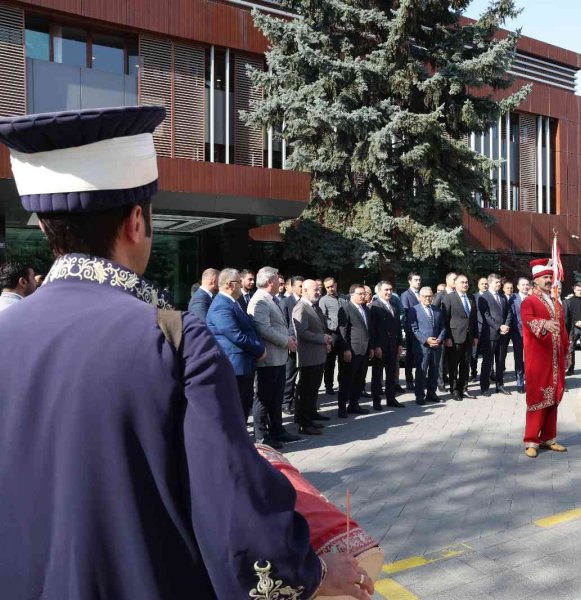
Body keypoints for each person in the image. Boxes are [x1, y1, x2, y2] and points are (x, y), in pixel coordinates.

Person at [0, 106, 372, 599]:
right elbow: (233, 510)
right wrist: (315, 575)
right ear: (137, 221)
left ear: (47, 231)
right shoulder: (173, 339)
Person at [248, 266, 302, 446]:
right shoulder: (260, 300)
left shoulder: (270, 299)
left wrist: (288, 338)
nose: (281, 281)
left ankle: (277, 430)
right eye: (278, 278)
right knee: (264, 398)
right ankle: (261, 436)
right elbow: (263, 329)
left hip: (278, 358)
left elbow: (278, 324)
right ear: (270, 281)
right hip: (268, 358)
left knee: (276, 397)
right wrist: (285, 341)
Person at [520, 259, 568, 458]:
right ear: (536, 280)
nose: (549, 280)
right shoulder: (528, 302)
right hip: (539, 360)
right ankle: (531, 440)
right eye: (545, 277)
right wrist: (544, 324)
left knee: (553, 399)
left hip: (556, 359)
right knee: (538, 398)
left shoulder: (556, 302)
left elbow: (563, 329)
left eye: (550, 277)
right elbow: (527, 320)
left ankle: (549, 437)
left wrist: (566, 352)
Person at [207, 268, 266, 422]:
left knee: (244, 405)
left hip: (243, 363)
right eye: (239, 282)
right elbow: (236, 335)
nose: (242, 285)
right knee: (237, 408)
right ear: (229, 285)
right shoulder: (221, 305)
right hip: (235, 365)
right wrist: (259, 350)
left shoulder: (232, 302)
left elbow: (249, 328)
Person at [292, 279, 333, 435]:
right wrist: (321, 339)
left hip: (318, 355)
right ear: (305, 290)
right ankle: (304, 423)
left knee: (313, 389)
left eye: (319, 289)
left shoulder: (314, 306)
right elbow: (302, 333)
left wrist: (326, 340)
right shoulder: (301, 307)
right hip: (308, 357)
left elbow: (321, 328)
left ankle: (311, 414)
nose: (318, 292)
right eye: (315, 289)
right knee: (306, 391)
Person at [337, 284, 375, 418]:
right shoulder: (345, 308)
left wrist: (370, 347)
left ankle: (354, 404)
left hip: (364, 351)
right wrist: (346, 349)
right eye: (360, 294)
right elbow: (342, 332)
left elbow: (368, 330)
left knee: (360, 380)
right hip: (351, 351)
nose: (363, 296)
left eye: (364, 293)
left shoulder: (366, 309)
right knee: (347, 380)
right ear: (352, 294)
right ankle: (342, 408)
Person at [442, 274, 478, 401]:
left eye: (467, 282)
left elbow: (473, 319)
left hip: (469, 337)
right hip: (454, 337)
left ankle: (464, 388)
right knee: (453, 365)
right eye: (462, 282)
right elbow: (445, 319)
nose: (465, 284)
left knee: (465, 364)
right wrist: (447, 337)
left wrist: (475, 336)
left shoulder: (471, 298)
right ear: (455, 284)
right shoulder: (448, 298)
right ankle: (454, 389)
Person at [407, 286, 446, 405]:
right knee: (421, 371)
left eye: (430, 296)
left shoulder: (437, 310)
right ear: (420, 297)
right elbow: (413, 329)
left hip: (436, 346)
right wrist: (426, 340)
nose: (428, 298)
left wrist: (439, 339)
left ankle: (431, 394)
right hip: (422, 347)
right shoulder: (414, 310)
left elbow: (443, 327)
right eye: (425, 296)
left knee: (434, 371)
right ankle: (419, 396)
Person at [370, 280, 404, 410]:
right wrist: (376, 346)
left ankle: (391, 399)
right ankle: (377, 401)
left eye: (390, 290)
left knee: (391, 374)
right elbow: (372, 329)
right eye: (386, 290)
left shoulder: (394, 306)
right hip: (381, 347)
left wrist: (400, 343)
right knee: (377, 375)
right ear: (378, 292)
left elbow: (397, 327)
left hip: (393, 346)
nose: (389, 292)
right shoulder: (374, 307)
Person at [476, 273, 512, 396]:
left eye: (499, 282)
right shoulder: (483, 297)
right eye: (496, 282)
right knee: (487, 361)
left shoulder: (502, 297)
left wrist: (506, 325)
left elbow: (508, 312)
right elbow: (485, 315)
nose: (499, 284)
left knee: (501, 361)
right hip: (490, 335)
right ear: (490, 282)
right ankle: (484, 387)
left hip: (503, 334)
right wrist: (498, 327)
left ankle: (500, 385)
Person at [319, 277, 345, 395]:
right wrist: (334, 326)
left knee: (343, 360)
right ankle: (328, 385)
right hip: (332, 333)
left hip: (344, 333)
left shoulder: (344, 298)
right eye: (327, 287)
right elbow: (323, 317)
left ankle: (342, 384)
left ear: (336, 284)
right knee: (330, 362)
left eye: (332, 286)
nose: (330, 289)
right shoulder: (323, 300)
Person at [282, 276, 304, 417]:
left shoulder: (306, 302)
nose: (303, 289)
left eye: (304, 286)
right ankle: (286, 402)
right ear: (293, 287)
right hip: (292, 344)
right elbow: (284, 323)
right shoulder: (286, 302)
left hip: (305, 344)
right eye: (300, 286)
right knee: (289, 375)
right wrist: (289, 341)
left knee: (303, 375)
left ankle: (300, 402)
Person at [435, 271, 457, 390]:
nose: (456, 281)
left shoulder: (457, 294)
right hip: (443, 331)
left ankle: (446, 376)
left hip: (455, 332)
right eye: (454, 279)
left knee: (450, 358)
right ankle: (440, 382)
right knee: (441, 359)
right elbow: (435, 311)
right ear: (447, 280)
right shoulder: (441, 295)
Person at [508, 277, 530, 393]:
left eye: (527, 284)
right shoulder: (513, 298)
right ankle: (520, 382)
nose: (525, 287)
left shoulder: (532, 298)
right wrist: (522, 325)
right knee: (518, 358)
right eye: (523, 285)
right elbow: (511, 315)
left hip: (531, 335)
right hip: (518, 333)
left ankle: (530, 380)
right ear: (518, 287)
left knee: (530, 358)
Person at [400, 271, 422, 392]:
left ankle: (420, 379)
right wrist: (412, 329)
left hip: (423, 330)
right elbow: (406, 313)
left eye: (419, 280)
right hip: (412, 330)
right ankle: (409, 380)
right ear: (409, 281)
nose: (418, 282)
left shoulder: (422, 293)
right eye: (416, 280)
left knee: (421, 355)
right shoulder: (405, 295)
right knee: (410, 356)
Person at [564, 282, 581, 376]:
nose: (580, 292)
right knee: (571, 349)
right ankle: (570, 368)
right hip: (573, 329)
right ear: (574, 290)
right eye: (578, 290)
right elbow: (568, 316)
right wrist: (575, 322)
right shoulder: (569, 301)